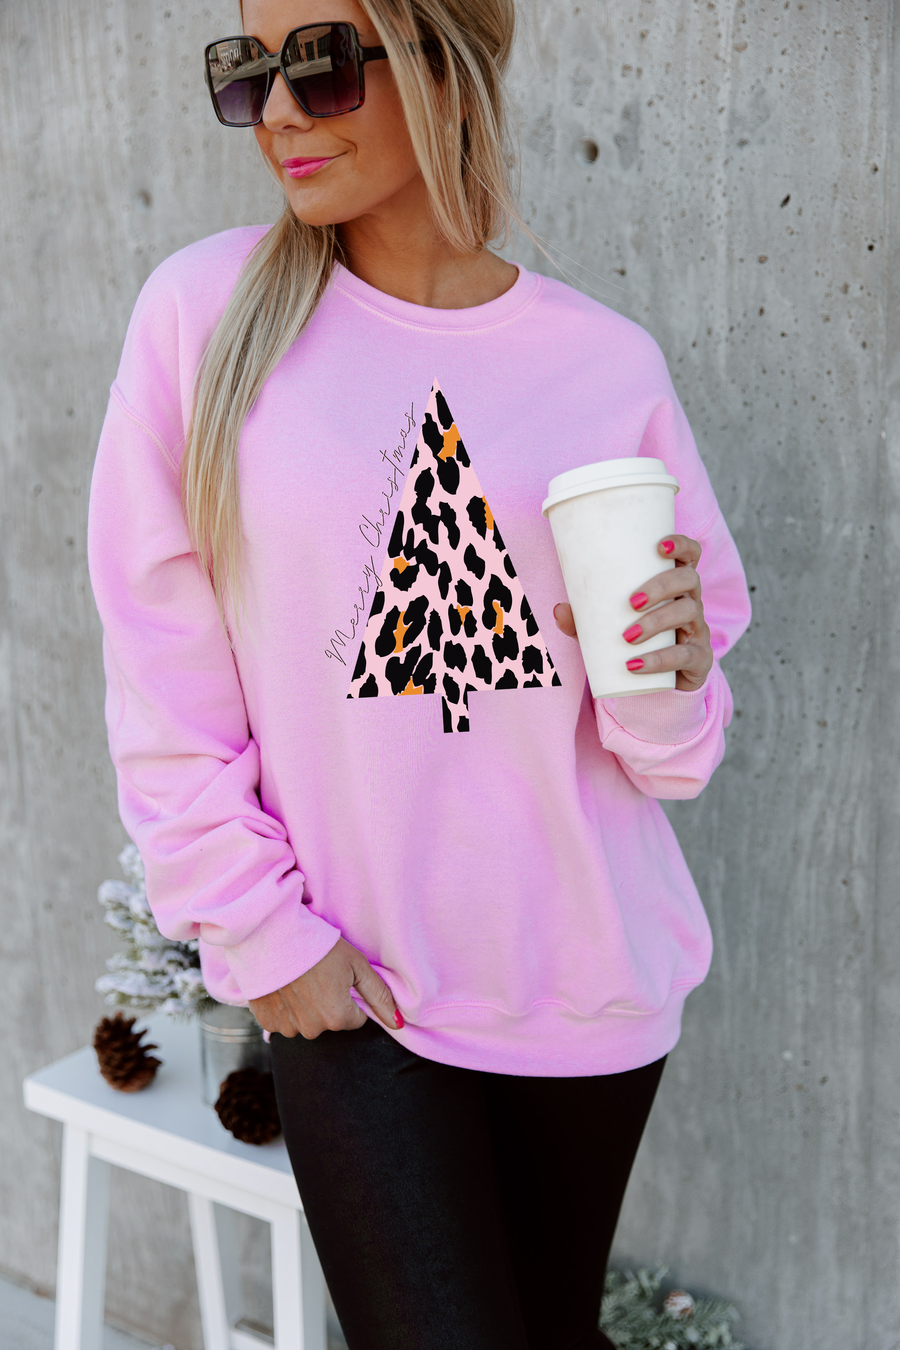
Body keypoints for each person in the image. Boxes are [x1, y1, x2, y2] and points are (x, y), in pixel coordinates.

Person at [87, 0, 751, 1346]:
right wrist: (261, 934)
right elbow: (161, 665)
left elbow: (669, 756)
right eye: (251, 71)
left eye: (323, 64)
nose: (279, 110)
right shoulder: (205, 316)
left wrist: (672, 676)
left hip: (587, 979)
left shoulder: (605, 365)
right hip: (358, 988)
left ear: (448, 68)